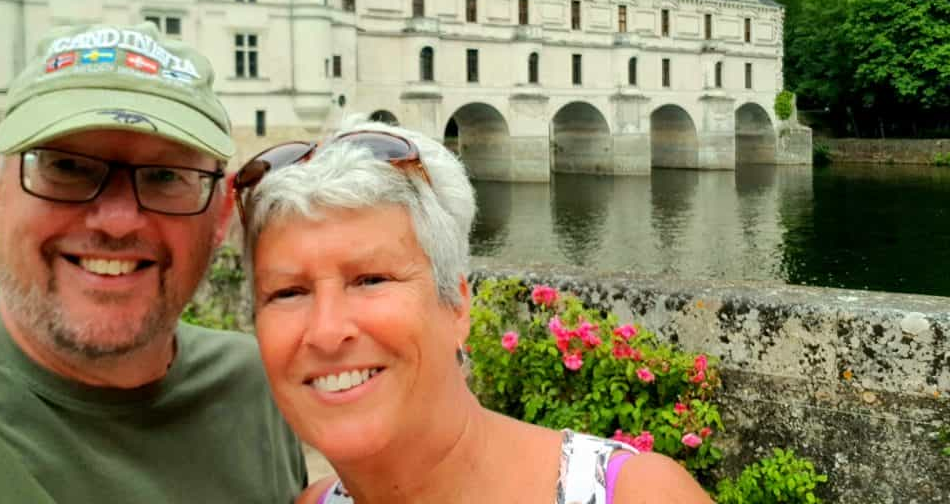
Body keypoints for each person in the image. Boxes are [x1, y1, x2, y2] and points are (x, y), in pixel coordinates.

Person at [236, 119, 713, 504]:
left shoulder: (640, 496)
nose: (325, 331)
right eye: (287, 293)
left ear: (457, 305)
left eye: (371, 280)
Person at [0, 22, 306, 503]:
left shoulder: (256, 389)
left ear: (220, 216)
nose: (119, 220)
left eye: (166, 175)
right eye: (65, 166)